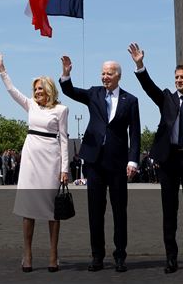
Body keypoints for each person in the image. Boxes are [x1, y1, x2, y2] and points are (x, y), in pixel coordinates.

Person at [128, 43, 183, 274]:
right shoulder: (166, 99)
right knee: (169, 211)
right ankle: (171, 259)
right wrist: (139, 65)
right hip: (169, 161)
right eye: (176, 77)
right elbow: (149, 88)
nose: (178, 80)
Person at [59, 55, 140, 273]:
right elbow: (70, 92)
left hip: (118, 163)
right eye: (103, 73)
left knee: (119, 211)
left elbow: (135, 133)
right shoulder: (94, 93)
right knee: (95, 211)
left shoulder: (131, 101)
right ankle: (97, 256)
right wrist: (66, 73)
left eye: (109, 73)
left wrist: (133, 160)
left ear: (118, 76)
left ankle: (120, 256)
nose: (105, 77)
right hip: (94, 162)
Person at [0, 51, 70, 272]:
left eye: (39, 89)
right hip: (30, 158)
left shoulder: (61, 109)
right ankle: (27, 254)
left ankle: (53, 255)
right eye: (35, 89)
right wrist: (2, 68)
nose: (36, 92)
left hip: (51, 159)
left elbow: (64, 139)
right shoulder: (30, 105)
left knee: (52, 210)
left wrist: (65, 168)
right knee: (28, 208)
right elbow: (11, 90)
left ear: (49, 91)